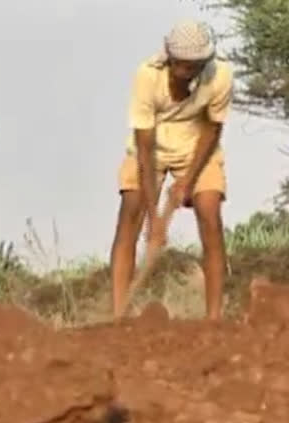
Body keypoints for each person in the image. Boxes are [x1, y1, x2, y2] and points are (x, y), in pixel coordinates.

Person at [110, 19, 233, 320]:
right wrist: (155, 218)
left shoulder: (220, 76)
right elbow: (145, 149)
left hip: (198, 148)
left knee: (209, 212)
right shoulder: (147, 77)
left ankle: (214, 318)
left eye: (196, 66)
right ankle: (118, 314)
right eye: (183, 66)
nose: (189, 73)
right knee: (131, 209)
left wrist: (188, 182)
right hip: (152, 149)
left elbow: (213, 130)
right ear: (169, 57)